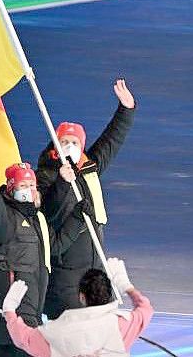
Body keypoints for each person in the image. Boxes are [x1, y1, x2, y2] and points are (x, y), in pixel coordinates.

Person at [0, 145, 90, 357]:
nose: (29, 189)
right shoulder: (5, 219)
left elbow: (55, 245)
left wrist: (76, 219)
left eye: (32, 184)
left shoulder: (37, 219)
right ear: (11, 188)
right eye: (23, 184)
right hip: (13, 317)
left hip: (31, 315)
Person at [36, 79, 136, 319]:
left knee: (98, 324)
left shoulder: (89, 167)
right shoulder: (46, 174)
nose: (69, 146)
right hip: (66, 270)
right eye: (64, 142)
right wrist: (62, 180)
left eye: (74, 142)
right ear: (55, 145)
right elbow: (50, 212)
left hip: (94, 263)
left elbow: (112, 140)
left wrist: (126, 109)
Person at [3, 258, 152, 357]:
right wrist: (126, 286)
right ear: (108, 294)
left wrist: (9, 311)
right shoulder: (122, 325)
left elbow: (24, 339)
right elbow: (145, 309)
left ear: (81, 297)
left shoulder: (55, 332)